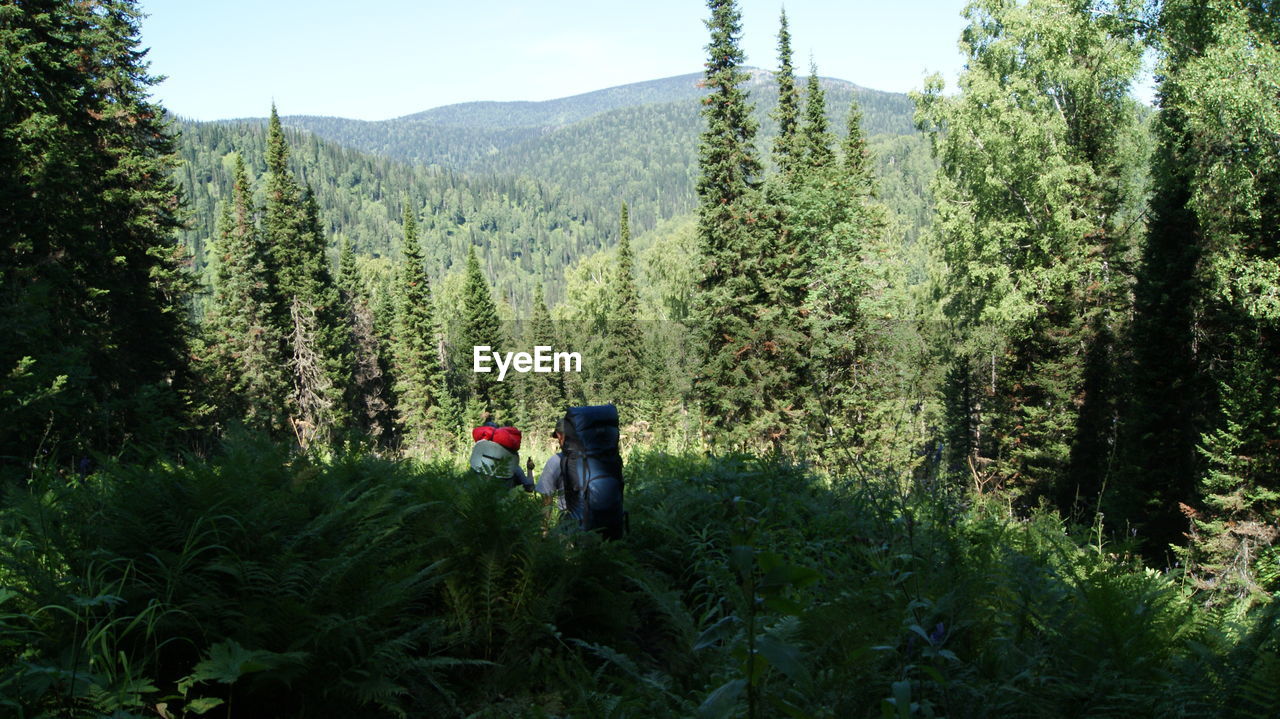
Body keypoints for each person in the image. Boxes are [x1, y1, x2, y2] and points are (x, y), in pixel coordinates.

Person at [535, 418, 580, 520]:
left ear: (559, 435)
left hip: (569, 524)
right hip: (598, 522)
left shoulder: (556, 461)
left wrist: (544, 529)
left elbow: (547, 500)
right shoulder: (594, 457)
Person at [470, 420, 533, 492]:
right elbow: (530, 488)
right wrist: (529, 469)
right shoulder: (511, 463)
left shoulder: (476, 462)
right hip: (504, 501)